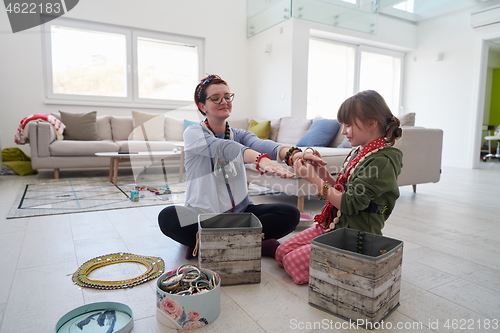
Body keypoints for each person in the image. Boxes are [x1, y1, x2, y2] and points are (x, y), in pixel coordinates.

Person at [158, 74, 324, 259]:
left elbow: (263, 144)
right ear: (202, 106)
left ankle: (206, 244)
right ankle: (249, 243)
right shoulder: (193, 133)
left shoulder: (240, 134)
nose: (224, 101)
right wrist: (259, 159)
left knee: (290, 213)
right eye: (215, 98)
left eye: (227, 96)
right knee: (168, 217)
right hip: (202, 215)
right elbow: (223, 147)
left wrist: (294, 154)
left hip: (240, 214)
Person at [275, 90, 403, 284]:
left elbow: (349, 204)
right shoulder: (359, 152)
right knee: (281, 252)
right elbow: (346, 191)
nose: (343, 131)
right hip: (336, 224)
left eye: (348, 125)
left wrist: (313, 180)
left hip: (354, 235)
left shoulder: (382, 161)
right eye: (343, 125)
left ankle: (355, 265)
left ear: (372, 123)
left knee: (292, 263)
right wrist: (323, 176)